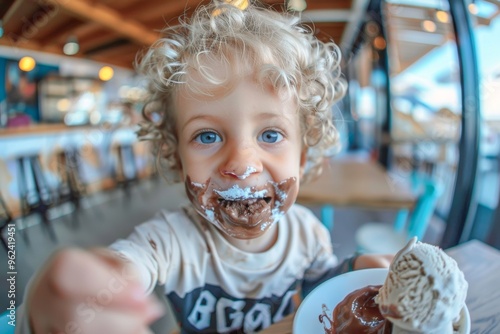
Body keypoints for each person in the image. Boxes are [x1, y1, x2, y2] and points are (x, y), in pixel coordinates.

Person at [17, 1, 392, 333]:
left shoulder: (309, 236)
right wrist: (68, 303)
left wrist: (356, 271)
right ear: (179, 161)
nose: (242, 165)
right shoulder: (169, 241)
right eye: (208, 136)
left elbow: (319, 285)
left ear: (303, 157)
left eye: (271, 134)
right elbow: (121, 273)